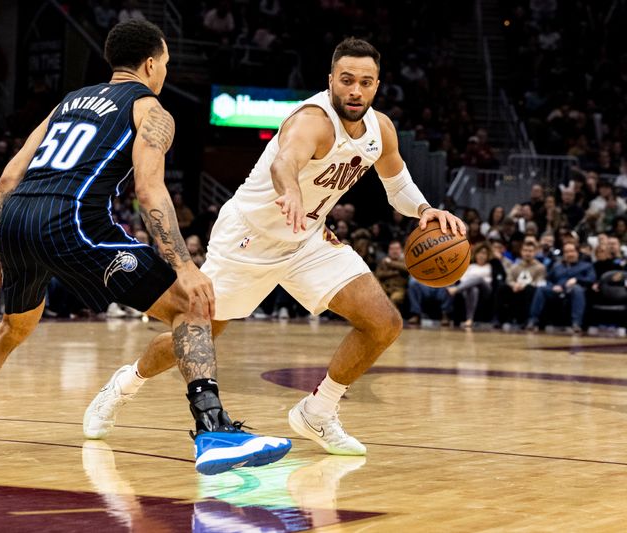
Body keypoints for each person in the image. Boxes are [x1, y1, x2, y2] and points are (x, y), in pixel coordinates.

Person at [0, 20, 290, 475]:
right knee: (193, 304)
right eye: (165, 64)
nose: (165, 72)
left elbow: (10, 175)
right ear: (151, 63)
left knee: (14, 327)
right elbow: (149, 191)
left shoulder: (68, 102)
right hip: (70, 220)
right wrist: (184, 265)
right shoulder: (151, 110)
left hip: (16, 219)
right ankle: (213, 428)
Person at [86, 37, 464, 456]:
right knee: (199, 334)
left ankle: (317, 413)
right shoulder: (311, 121)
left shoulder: (381, 129)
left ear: (377, 85)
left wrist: (425, 209)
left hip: (307, 240)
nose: (355, 90)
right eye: (346, 80)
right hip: (249, 239)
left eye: (365, 82)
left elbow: (397, 184)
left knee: (383, 322)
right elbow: (287, 160)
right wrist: (291, 193)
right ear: (331, 80)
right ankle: (124, 385)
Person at [527, 242, 595, 333]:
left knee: (577, 289)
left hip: (573, 291)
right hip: (558, 290)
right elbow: (548, 280)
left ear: (577, 252)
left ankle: (576, 324)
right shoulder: (557, 266)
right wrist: (553, 286)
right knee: (542, 289)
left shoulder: (586, 266)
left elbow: (591, 279)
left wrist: (577, 280)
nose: (569, 254)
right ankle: (533, 321)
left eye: (572, 251)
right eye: (566, 252)